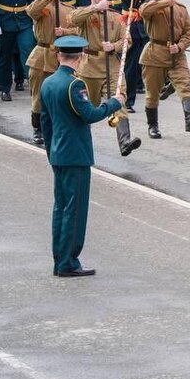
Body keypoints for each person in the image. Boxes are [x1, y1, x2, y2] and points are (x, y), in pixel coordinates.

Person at [39, 36, 126, 278]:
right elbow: (89, 114)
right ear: (80, 57)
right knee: (75, 211)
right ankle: (68, 262)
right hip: (75, 155)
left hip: (58, 153)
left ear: (59, 56)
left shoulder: (48, 82)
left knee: (61, 208)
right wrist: (113, 104)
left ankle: (60, 259)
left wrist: (51, 151)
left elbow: (45, 121)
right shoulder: (74, 85)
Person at [68, 0, 140, 156]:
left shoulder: (115, 16)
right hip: (89, 67)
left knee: (119, 99)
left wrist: (114, 46)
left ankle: (124, 141)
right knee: (85, 108)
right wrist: (94, 8)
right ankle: (77, 141)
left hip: (112, 66)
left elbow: (127, 40)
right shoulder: (84, 13)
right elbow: (72, 19)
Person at [138, 0, 190, 139]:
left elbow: (189, 32)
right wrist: (165, 3)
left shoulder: (181, 8)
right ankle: (153, 125)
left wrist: (180, 46)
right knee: (152, 93)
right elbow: (144, 12)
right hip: (155, 54)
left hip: (176, 55)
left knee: (185, 84)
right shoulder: (151, 6)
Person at [24, 0, 64, 146]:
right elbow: (31, 11)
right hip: (42, 55)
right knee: (38, 95)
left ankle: (58, 127)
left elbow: (77, 28)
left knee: (60, 96)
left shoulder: (67, 10)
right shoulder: (40, 6)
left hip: (61, 56)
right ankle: (38, 128)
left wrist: (65, 31)